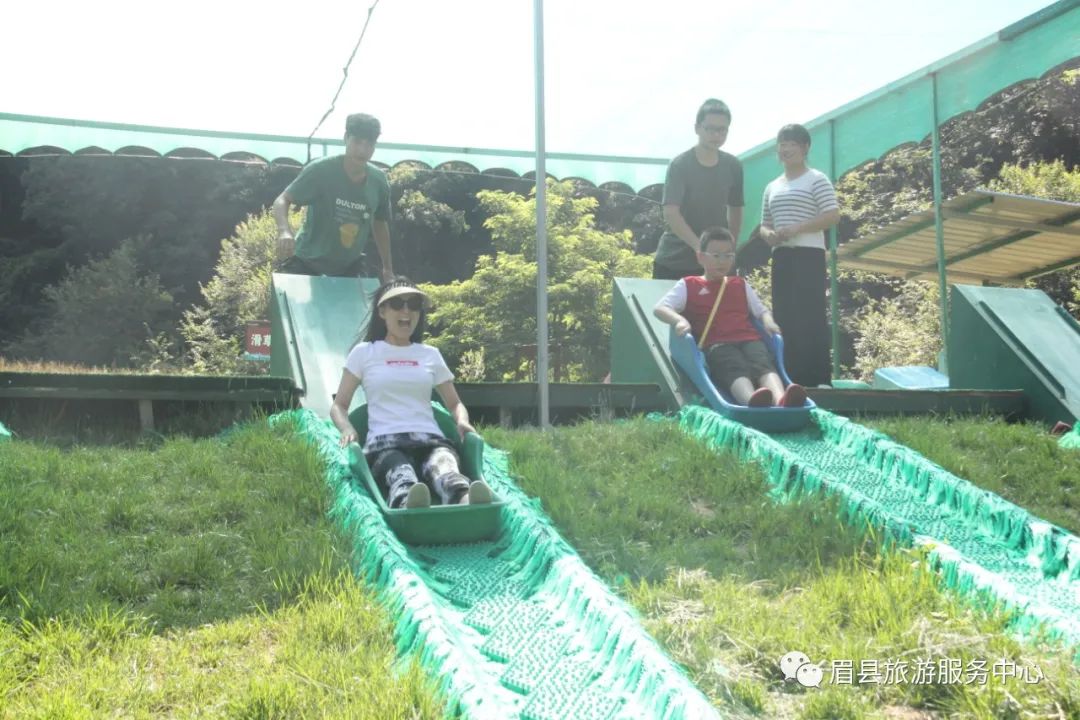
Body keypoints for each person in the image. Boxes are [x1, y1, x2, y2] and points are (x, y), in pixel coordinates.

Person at [329, 277, 493, 509]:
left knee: (445, 468)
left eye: (413, 304)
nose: (406, 310)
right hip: (385, 443)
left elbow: (455, 403)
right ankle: (409, 502)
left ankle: (465, 499)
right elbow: (339, 405)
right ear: (382, 312)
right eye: (397, 304)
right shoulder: (365, 353)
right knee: (401, 473)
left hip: (430, 440)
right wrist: (347, 428)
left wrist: (462, 421)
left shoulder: (430, 355)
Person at [654, 227, 806, 408]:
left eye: (728, 256)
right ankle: (751, 400)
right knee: (733, 366)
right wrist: (680, 320)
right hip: (717, 344)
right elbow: (660, 308)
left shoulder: (739, 284)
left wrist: (768, 321)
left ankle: (781, 399)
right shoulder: (689, 284)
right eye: (716, 255)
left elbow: (760, 310)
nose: (722, 261)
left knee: (763, 364)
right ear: (701, 257)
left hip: (749, 339)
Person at [759, 123, 840, 388]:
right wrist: (769, 235)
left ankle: (819, 379)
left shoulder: (816, 179)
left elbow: (832, 215)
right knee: (784, 315)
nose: (786, 149)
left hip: (809, 254)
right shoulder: (772, 186)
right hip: (782, 256)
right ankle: (790, 378)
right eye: (782, 144)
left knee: (811, 314)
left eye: (792, 143)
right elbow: (764, 224)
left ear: (805, 148)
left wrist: (797, 228)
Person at [273, 113, 395, 282]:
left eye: (369, 144)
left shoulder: (379, 181)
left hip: (349, 265)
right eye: (357, 142)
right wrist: (284, 231)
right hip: (307, 261)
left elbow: (380, 223)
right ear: (346, 138)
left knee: (362, 306)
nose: (362, 150)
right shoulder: (320, 170)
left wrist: (387, 268)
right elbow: (282, 200)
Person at [652, 98, 745, 281]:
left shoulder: (733, 165)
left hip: (716, 265)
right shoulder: (680, 164)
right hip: (675, 262)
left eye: (722, 130)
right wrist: (701, 249)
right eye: (710, 128)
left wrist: (727, 249)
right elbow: (671, 213)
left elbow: (736, 209)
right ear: (697, 128)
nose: (716, 135)